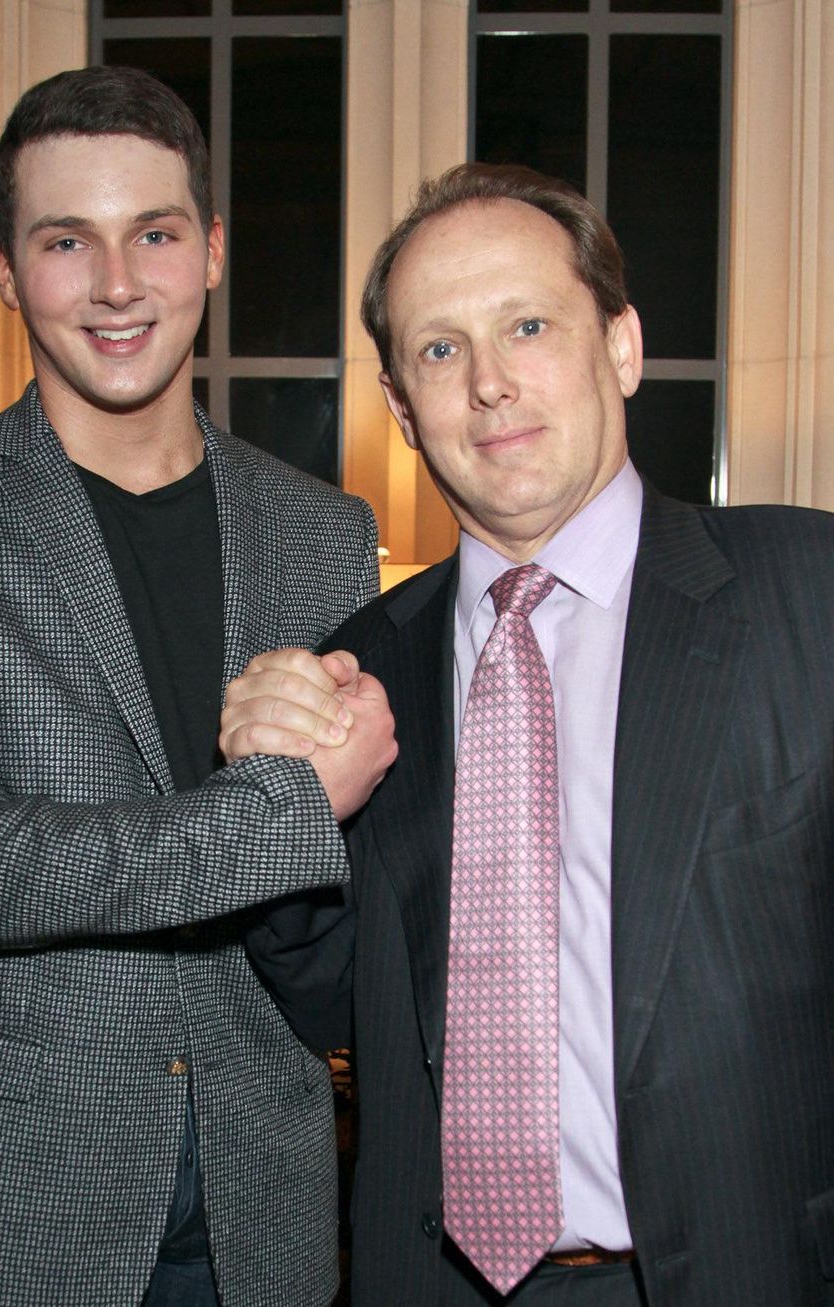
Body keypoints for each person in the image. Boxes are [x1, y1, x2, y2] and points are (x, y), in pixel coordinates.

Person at [223, 163, 834, 1306]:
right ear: (402, 410)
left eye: (528, 324)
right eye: (440, 351)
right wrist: (279, 802)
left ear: (620, 347)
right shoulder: (363, 662)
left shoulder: (806, 592)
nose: (491, 384)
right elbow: (322, 996)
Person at [0, 65, 396, 1307]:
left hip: (267, 1196)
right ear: (5, 271)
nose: (114, 284)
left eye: (152, 234)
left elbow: (353, 876)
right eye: (65, 241)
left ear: (208, 251)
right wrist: (280, 808)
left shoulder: (323, 530)